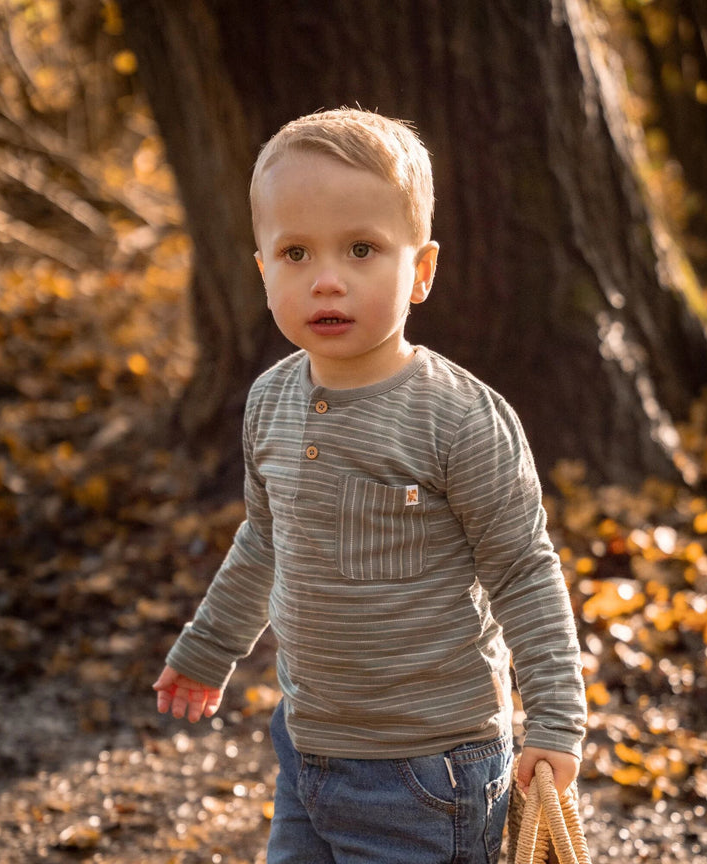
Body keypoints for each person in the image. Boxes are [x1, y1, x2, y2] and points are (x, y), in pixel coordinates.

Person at [153, 107, 587, 863]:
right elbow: (263, 542)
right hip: (306, 747)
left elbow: (522, 570)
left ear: (420, 271)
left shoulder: (459, 420)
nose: (327, 279)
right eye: (295, 253)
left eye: (361, 249)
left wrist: (555, 720)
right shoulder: (269, 401)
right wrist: (209, 647)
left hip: (431, 774)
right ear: (261, 271)